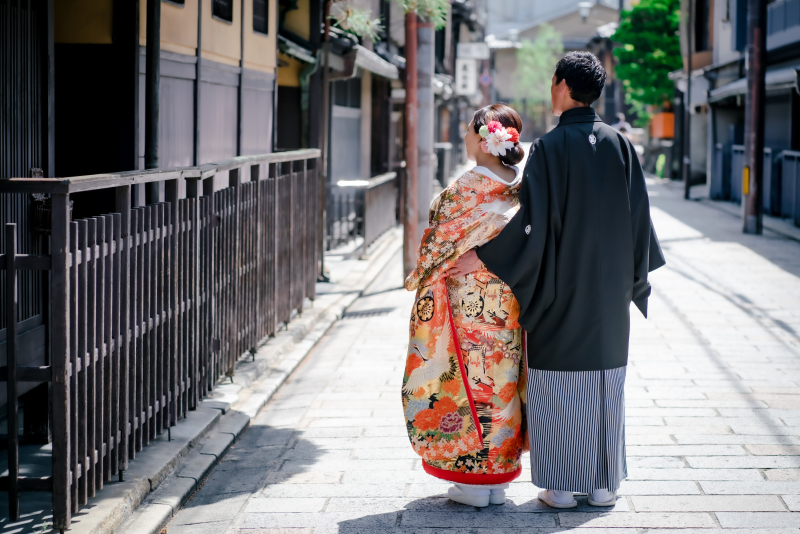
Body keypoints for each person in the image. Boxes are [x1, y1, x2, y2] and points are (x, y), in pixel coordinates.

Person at [450, 52, 665, 508]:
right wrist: (632, 282)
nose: (551, 90)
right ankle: (605, 485)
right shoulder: (620, 144)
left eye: (552, 82)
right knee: (607, 386)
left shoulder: (549, 148)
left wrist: (484, 257)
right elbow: (640, 218)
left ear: (563, 86)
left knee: (558, 386)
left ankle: (562, 488)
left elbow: (533, 224)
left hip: (560, 292)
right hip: (608, 296)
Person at [402, 104, 530, 508]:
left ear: (482, 139)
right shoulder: (521, 186)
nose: (464, 140)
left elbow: (438, 239)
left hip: (469, 300)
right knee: (503, 381)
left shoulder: (467, 187)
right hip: (507, 298)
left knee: (471, 380)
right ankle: (496, 479)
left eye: (468, 134)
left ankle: (474, 481)